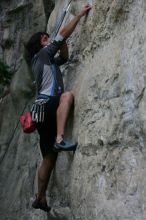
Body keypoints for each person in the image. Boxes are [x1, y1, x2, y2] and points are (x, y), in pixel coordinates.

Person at [26, 3, 91, 212]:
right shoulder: (43, 55)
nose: (49, 39)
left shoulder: (45, 61)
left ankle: (40, 197)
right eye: (46, 38)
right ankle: (61, 138)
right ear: (41, 44)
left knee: (48, 157)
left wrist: (62, 41)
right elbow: (62, 34)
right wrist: (79, 15)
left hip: (40, 112)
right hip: (48, 105)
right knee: (67, 96)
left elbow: (64, 56)